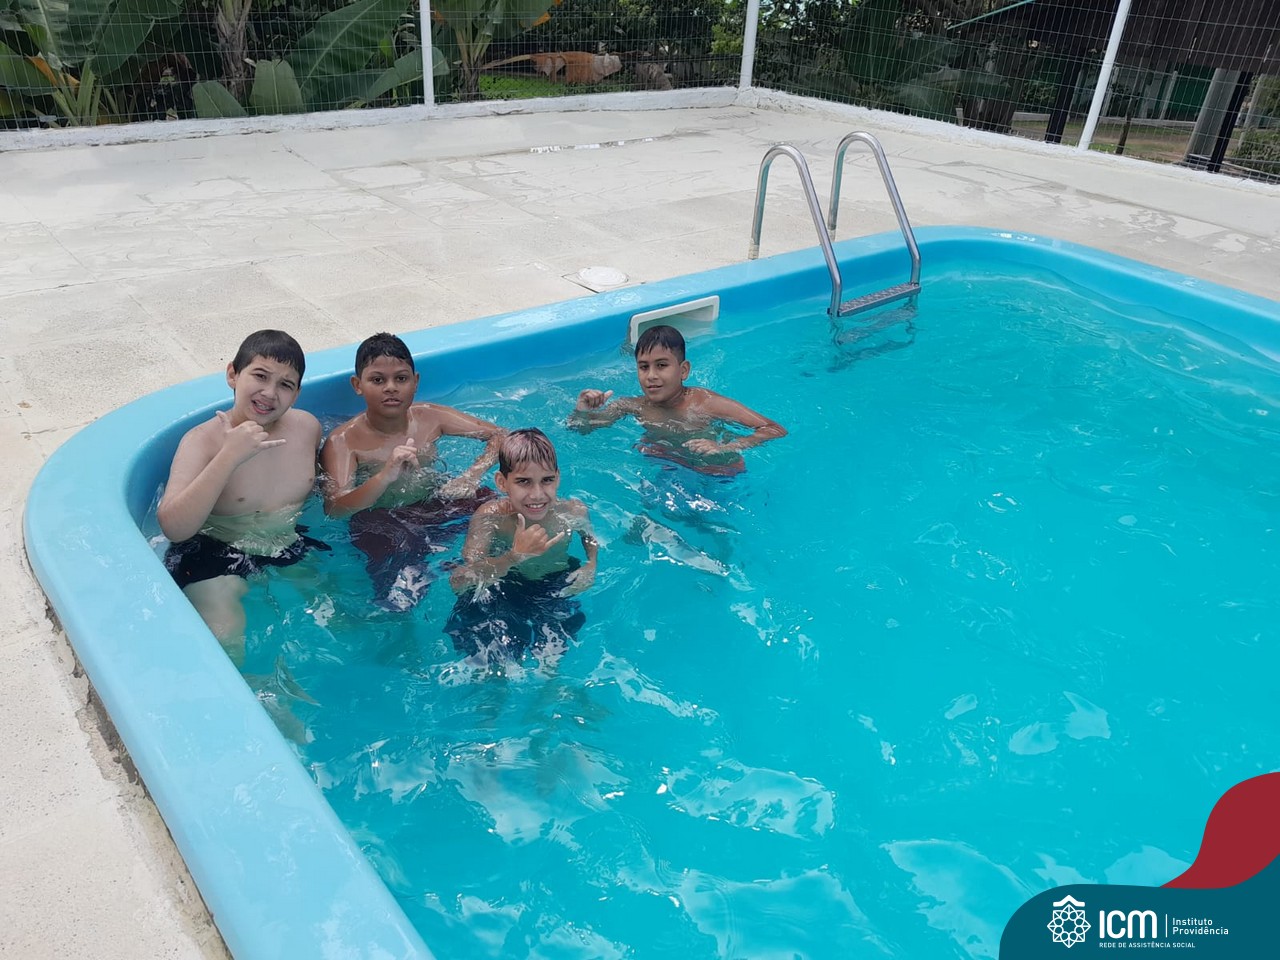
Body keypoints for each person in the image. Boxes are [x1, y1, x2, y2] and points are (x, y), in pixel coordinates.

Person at [158, 329, 325, 666]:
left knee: (338, 615)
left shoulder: (307, 428)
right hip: (213, 553)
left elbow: (320, 487)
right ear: (233, 374)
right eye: (260, 376)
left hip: (283, 541)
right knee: (228, 644)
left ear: (297, 394)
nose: (269, 393)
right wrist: (228, 456)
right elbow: (174, 527)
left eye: (285, 384)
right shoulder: (201, 441)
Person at [320, 332, 506, 611]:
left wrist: (471, 475)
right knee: (401, 586)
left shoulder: (430, 416)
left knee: (498, 508)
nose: (391, 388)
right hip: (383, 521)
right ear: (358, 385)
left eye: (401, 378)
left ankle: (486, 569)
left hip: (434, 504)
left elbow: (501, 435)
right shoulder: (344, 441)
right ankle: (394, 617)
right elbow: (335, 508)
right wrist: (384, 476)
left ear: (415, 382)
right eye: (378, 380)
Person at [447, 428, 598, 663]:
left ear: (557, 477)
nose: (537, 494)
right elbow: (461, 581)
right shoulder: (491, 517)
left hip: (553, 582)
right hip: (505, 584)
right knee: (491, 659)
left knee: (551, 660)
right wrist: (515, 556)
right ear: (502, 482)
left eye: (547, 480)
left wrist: (591, 565)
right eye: (523, 482)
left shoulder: (573, 512)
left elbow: (589, 538)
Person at [568, 323, 786, 475]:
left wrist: (726, 447)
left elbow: (774, 429)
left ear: (683, 370)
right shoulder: (632, 406)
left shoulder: (705, 403)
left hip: (716, 472)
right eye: (643, 367)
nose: (651, 375)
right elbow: (580, 429)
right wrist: (581, 410)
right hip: (668, 466)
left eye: (661, 365)